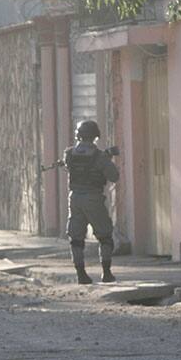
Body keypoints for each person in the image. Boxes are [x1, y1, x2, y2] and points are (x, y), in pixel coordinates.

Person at [65, 120, 120, 284]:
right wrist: (107, 157)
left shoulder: (69, 154)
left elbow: (72, 164)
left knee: (76, 238)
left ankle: (81, 274)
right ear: (95, 136)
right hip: (93, 198)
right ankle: (106, 272)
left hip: (75, 198)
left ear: (79, 135)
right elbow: (114, 176)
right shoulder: (99, 156)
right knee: (104, 236)